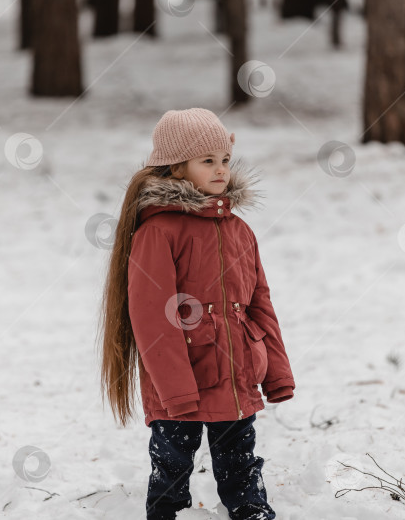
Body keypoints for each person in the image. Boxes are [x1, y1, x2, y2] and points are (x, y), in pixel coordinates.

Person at [97, 107, 296, 520]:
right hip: (180, 382)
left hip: (235, 375)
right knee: (172, 466)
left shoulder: (240, 230)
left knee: (241, 463)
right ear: (176, 168)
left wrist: (276, 372)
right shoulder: (159, 232)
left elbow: (260, 305)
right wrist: (175, 389)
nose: (221, 169)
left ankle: (253, 513)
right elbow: (152, 317)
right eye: (208, 161)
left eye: (225, 159)